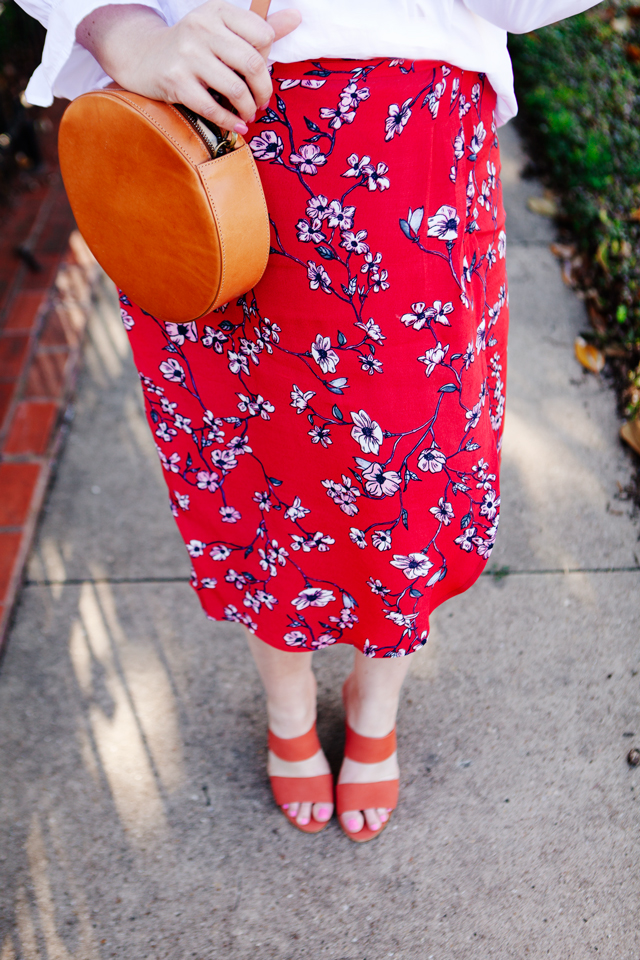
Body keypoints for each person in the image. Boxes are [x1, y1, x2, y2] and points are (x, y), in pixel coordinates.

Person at [18, 0, 601, 841]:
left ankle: (379, 693)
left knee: (406, 477)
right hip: (204, 134)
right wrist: (124, 31)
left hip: (406, 143)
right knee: (249, 468)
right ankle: (287, 701)